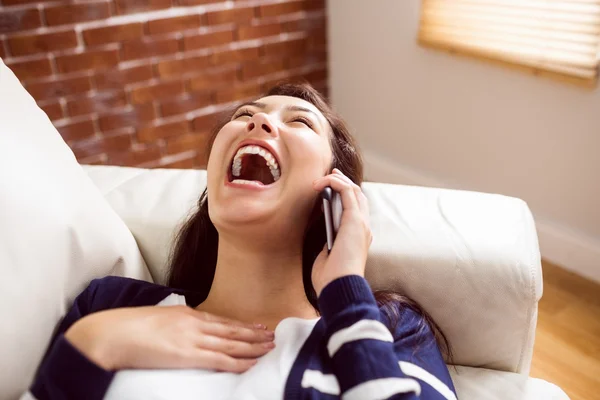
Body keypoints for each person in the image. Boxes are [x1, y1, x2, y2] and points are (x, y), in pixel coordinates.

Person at [23, 83, 457, 400]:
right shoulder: (110, 305)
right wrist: (94, 342)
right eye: (245, 114)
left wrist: (345, 289)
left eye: (299, 121)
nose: (260, 120)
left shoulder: (387, 331)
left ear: (333, 195)